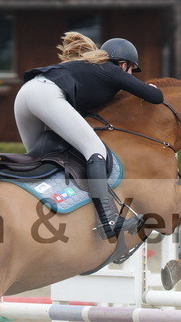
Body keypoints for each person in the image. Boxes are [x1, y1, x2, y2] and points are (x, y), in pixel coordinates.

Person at [16, 32, 163, 239]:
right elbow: (156, 97)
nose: (131, 75)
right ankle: (109, 220)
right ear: (124, 64)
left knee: (38, 158)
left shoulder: (90, 71)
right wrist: (151, 88)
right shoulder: (112, 70)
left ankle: (29, 211)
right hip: (47, 95)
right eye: (132, 70)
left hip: (25, 95)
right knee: (95, 150)